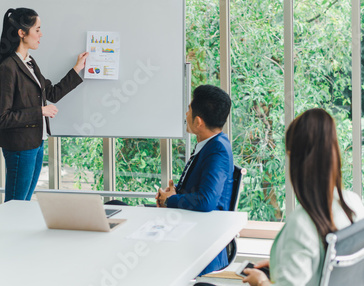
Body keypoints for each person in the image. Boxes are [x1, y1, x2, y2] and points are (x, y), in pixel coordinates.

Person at [242, 108, 364, 286]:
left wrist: (261, 282)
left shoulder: (302, 223)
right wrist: (281, 266)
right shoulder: (353, 204)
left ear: (296, 161)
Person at [0, 8, 88, 202]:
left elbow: (51, 93)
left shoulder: (29, 62)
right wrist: (40, 111)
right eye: (37, 29)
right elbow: (1, 118)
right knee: (15, 204)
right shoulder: (8, 68)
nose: (41, 34)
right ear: (22, 33)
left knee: (24, 202)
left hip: (36, 143)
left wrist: (77, 68)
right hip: (20, 146)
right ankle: (9, 232)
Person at [156, 84, 234, 275]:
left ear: (198, 121)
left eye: (189, 110)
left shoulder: (218, 150)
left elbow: (206, 201)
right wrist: (173, 195)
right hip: (190, 230)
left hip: (202, 246)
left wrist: (171, 200)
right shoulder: (210, 144)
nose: (186, 114)